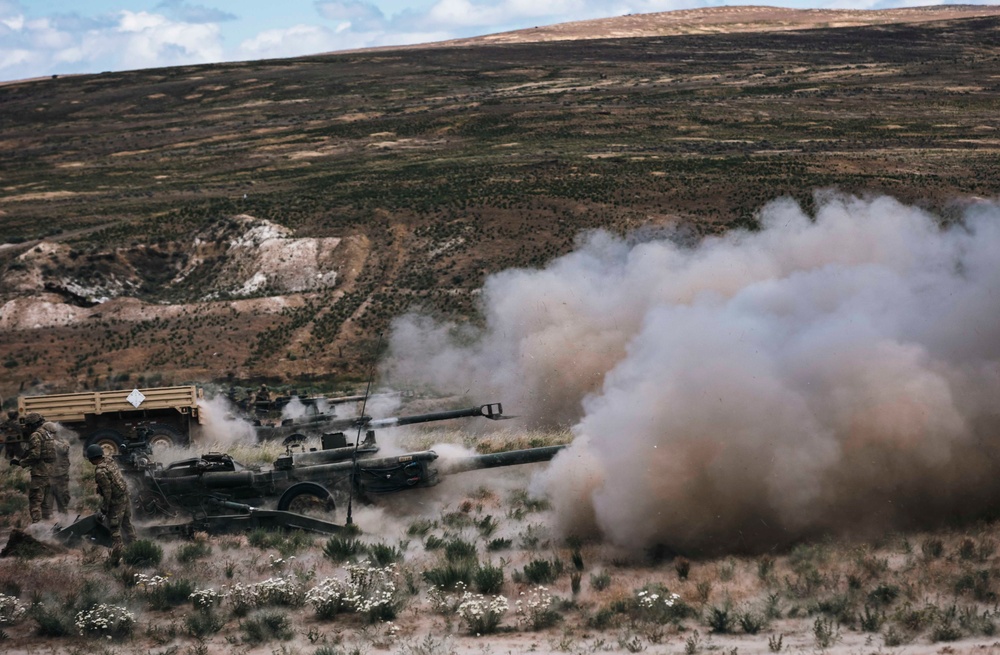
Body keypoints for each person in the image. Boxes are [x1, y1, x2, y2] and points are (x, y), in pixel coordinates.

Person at [86, 443, 137, 565]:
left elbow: (107, 492)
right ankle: (135, 547)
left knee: (114, 528)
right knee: (127, 523)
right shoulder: (109, 461)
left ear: (92, 458)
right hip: (125, 496)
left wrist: (105, 507)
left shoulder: (100, 471)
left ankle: (119, 556)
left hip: (116, 501)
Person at [18, 413, 56, 523]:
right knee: (46, 503)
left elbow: (35, 455)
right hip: (49, 472)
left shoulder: (35, 435)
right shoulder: (47, 434)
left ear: (32, 425)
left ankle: (38, 529)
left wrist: (21, 463)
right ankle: (49, 526)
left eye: (28, 426)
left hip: (39, 473)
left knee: (35, 501)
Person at [46, 422, 71, 513]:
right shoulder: (49, 443)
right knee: (48, 506)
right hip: (52, 478)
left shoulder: (59, 442)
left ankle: (63, 523)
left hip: (58, 478)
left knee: (61, 503)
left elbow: (63, 449)